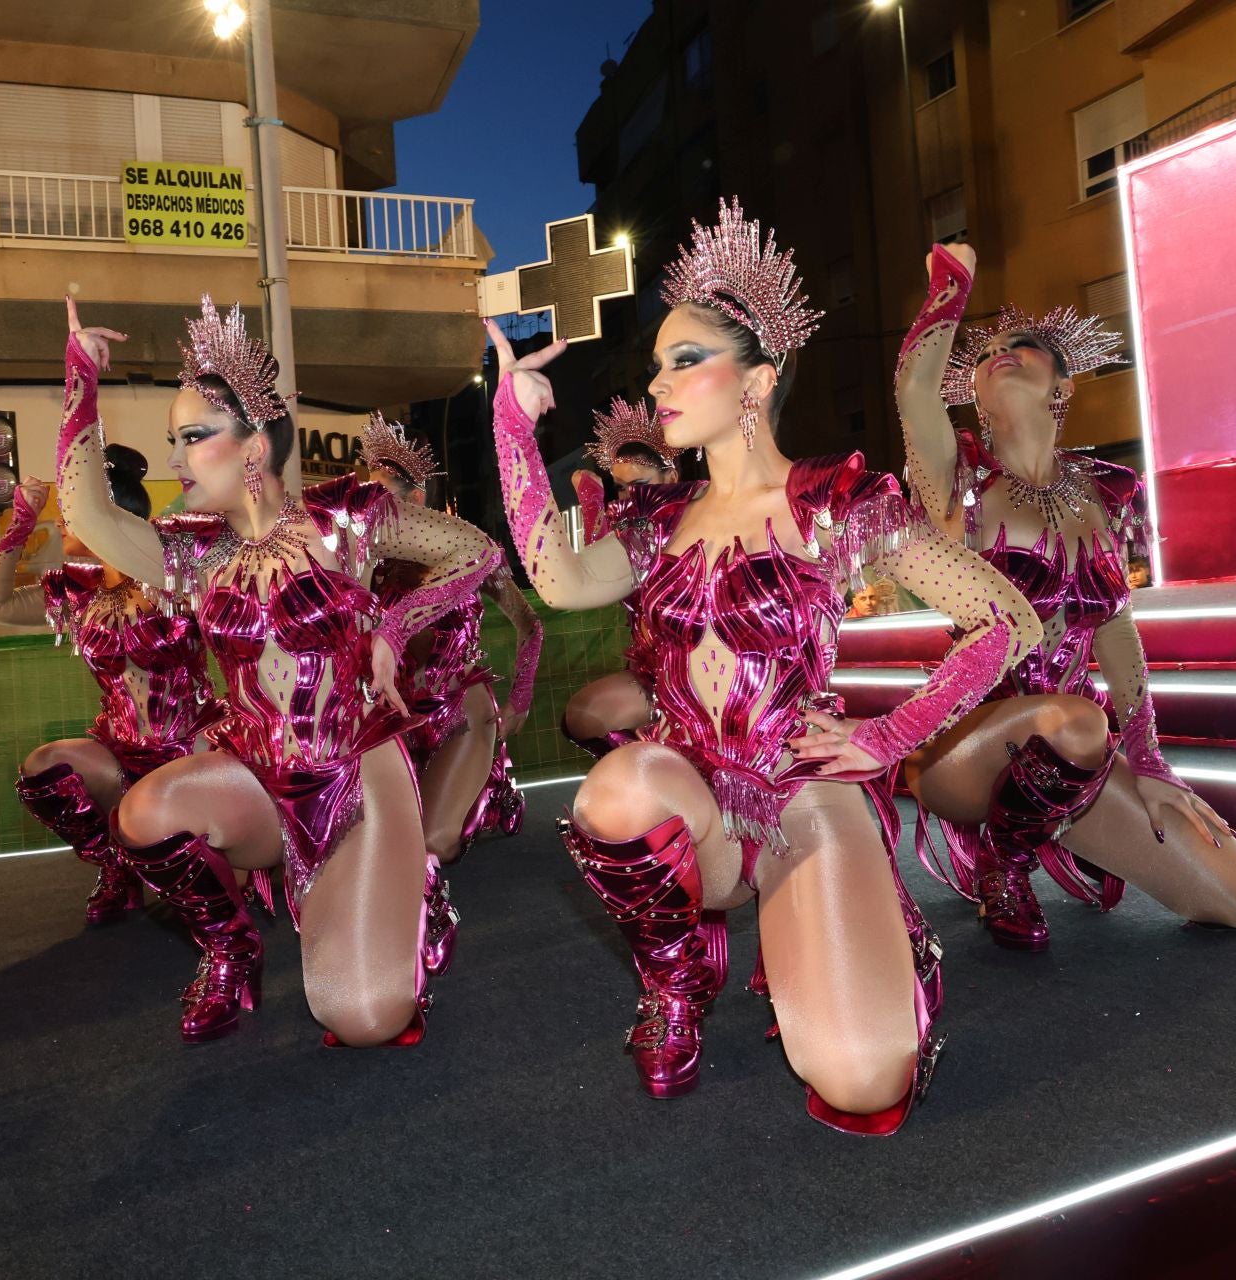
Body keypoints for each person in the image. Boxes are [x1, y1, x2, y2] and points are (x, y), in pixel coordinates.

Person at [488, 199, 1041, 1131]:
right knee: (616, 792)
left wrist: (891, 733)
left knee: (864, 1079)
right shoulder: (657, 523)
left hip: (799, 787)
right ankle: (674, 982)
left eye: (683, 361)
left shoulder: (836, 500)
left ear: (757, 382)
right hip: (691, 796)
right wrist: (512, 424)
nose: (657, 385)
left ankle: (867, 947)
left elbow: (1005, 620)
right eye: (656, 364)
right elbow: (557, 574)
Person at [57, 296, 501, 1048]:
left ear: (254, 447)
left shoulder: (347, 520)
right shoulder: (191, 554)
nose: (173, 461)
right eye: (172, 440)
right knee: (143, 814)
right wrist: (80, 384)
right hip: (256, 776)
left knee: (360, 1018)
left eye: (192, 438)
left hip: (357, 773)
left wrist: (396, 623)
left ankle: (416, 892)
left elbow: (477, 551)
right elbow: (89, 515)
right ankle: (231, 949)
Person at [893, 243, 1236, 951]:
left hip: (1075, 754)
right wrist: (951, 287)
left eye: (1024, 345)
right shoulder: (958, 484)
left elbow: (1116, 632)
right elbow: (915, 393)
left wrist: (1149, 759)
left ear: (1062, 389)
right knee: (1070, 719)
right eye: (986, 354)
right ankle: (1002, 864)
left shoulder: (1104, 494)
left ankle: (1052, 819)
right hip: (964, 748)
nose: (1000, 352)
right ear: (973, 393)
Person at [0, 448, 230, 929]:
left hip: (192, 748)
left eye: (72, 515)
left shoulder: (174, 576)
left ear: (107, 518)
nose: (62, 523)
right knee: (44, 767)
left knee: (210, 893)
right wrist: (20, 524)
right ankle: (117, 867)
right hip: (120, 753)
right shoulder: (77, 591)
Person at [361, 413, 539, 974]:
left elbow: (529, 626)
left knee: (434, 839)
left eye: (386, 497)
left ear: (417, 499)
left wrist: (519, 704)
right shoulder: (364, 561)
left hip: (461, 704)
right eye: (368, 497)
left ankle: (422, 925)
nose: (375, 510)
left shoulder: (469, 552)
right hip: (397, 717)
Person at [560, 397, 678, 759]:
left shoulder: (694, 524)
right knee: (580, 718)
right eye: (622, 488)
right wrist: (593, 504)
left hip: (697, 678)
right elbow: (589, 572)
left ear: (672, 477)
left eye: (640, 485)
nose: (630, 497)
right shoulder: (629, 532)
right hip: (647, 671)